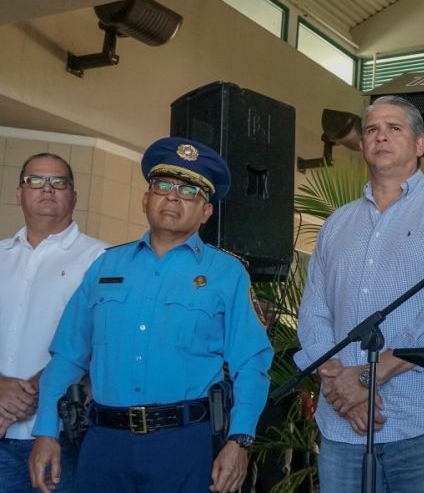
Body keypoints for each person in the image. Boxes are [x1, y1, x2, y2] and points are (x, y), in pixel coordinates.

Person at [28, 137, 273, 493]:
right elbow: (67, 356)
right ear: (146, 199)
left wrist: (239, 440)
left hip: (184, 444)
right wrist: (47, 431)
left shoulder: (227, 274)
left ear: (206, 212)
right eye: (162, 186)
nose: (172, 196)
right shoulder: (106, 266)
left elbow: (250, 363)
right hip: (104, 442)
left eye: (189, 190)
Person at [296, 95, 424, 493]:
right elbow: (314, 309)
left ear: (419, 145)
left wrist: (368, 377)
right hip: (344, 426)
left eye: (394, 128)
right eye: (371, 130)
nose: (380, 136)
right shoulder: (337, 223)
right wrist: (336, 382)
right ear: (363, 146)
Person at [0, 153, 107, 492]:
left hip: (62, 437)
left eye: (59, 182)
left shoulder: (101, 260)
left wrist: (39, 390)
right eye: (35, 181)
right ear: (19, 193)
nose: (47, 189)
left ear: (73, 195)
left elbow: (103, 341)